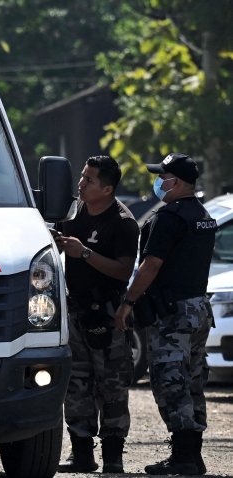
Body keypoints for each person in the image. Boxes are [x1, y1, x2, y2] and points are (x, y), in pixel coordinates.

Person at [114, 153, 216, 475]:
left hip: (173, 314)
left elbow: (151, 265)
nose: (159, 182)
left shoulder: (169, 217)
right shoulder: (202, 214)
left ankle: (184, 457)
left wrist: (128, 301)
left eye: (164, 176)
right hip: (197, 309)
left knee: (170, 379)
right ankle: (191, 455)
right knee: (194, 380)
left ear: (178, 182)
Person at [53, 156, 139, 473]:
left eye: (89, 180)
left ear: (107, 188)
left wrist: (84, 253)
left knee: (112, 387)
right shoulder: (75, 211)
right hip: (75, 310)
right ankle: (81, 453)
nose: (81, 183)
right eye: (82, 176)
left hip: (108, 313)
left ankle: (113, 458)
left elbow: (123, 270)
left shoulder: (123, 222)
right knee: (76, 385)